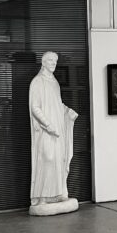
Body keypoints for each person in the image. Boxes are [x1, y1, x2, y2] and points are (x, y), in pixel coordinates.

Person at [28, 51, 78, 211]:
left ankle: (57, 194)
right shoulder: (37, 82)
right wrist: (48, 125)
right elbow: (35, 107)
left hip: (58, 128)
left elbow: (56, 104)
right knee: (47, 160)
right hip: (46, 130)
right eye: (50, 60)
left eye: (55, 61)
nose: (53, 64)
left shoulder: (55, 82)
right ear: (43, 62)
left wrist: (67, 111)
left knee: (58, 160)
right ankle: (42, 197)